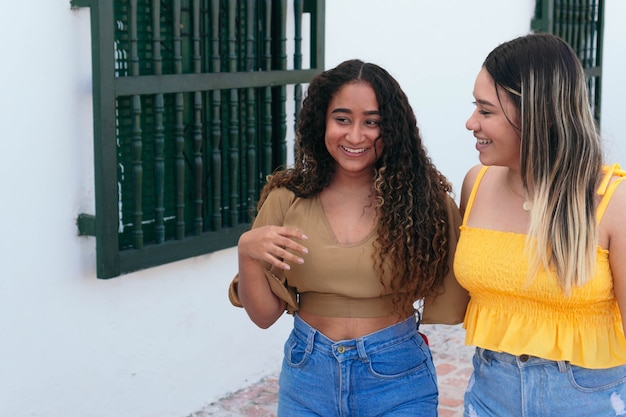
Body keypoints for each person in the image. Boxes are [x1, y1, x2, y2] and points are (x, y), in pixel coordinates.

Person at [228, 59, 468, 416]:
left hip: (396, 376)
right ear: (321, 122)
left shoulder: (425, 203)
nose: (356, 136)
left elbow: (471, 281)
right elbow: (264, 316)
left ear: (392, 129)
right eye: (342, 119)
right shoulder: (287, 199)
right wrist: (246, 252)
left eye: (372, 122)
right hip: (308, 376)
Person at [455, 32, 626, 417]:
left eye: (486, 111)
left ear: (537, 114)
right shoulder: (475, 184)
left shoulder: (615, 202)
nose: (471, 123)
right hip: (488, 394)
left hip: (590, 399)